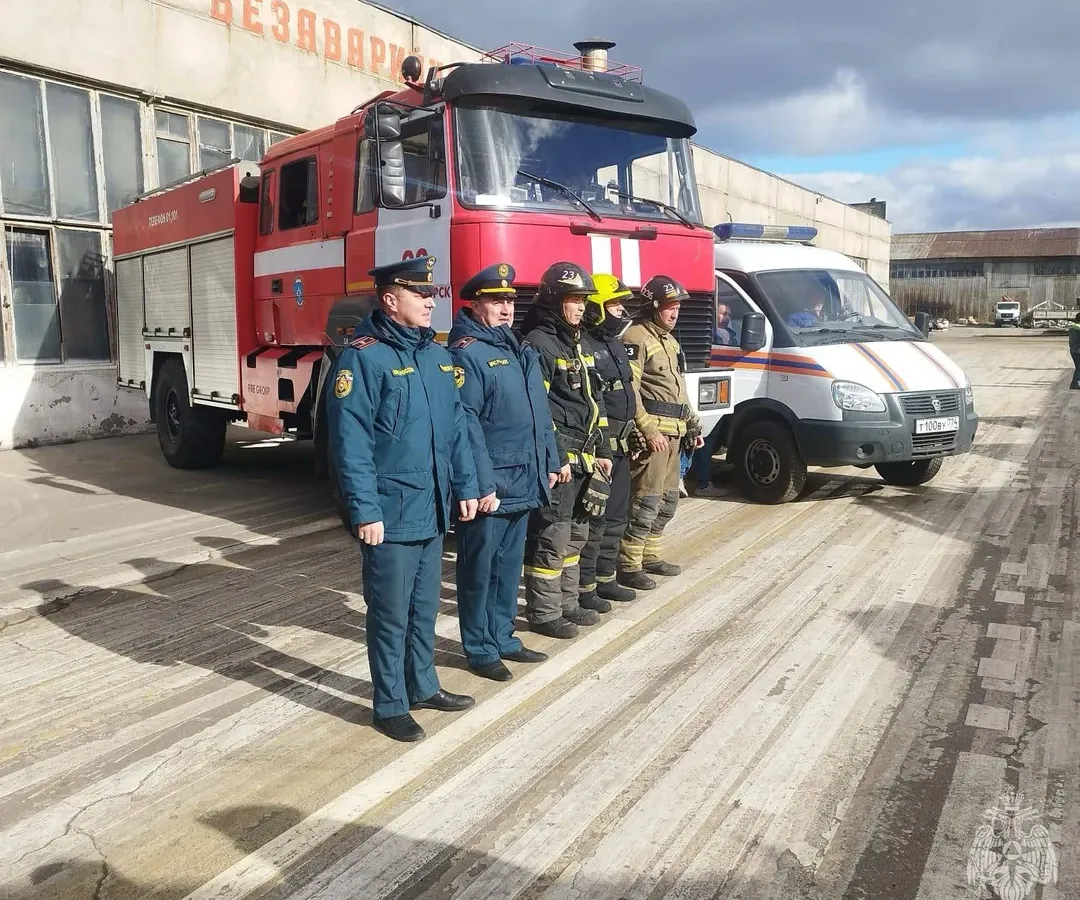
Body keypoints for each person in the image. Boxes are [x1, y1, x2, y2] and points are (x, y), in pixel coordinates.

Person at [327, 255, 481, 744]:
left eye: (432, 294)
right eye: (420, 294)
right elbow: (348, 442)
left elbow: (456, 429)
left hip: (432, 507)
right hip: (390, 512)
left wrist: (466, 486)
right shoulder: (363, 357)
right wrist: (364, 509)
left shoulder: (437, 356)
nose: (431, 302)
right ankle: (389, 703)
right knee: (390, 613)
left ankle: (424, 686)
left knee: (424, 608)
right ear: (391, 300)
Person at [448, 263, 561, 682]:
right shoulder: (467, 353)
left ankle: (504, 636)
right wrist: (479, 483)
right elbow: (466, 423)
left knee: (509, 565)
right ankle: (479, 647)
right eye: (496, 301)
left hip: (524, 476)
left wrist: (550, 460)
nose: (506, 308)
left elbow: (539, 415)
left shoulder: (518, 349)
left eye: (510, 301)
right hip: (492, 485)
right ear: (476, 306)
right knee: (479, 569)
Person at [521, 261, 614, 638]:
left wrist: (604, 449)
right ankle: (544, 614)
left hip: (588, 459)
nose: (581, 307)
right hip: (563, 462)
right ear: (554, 302)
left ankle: (569, 603)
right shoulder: (540, 343)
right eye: (573, 300)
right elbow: (537, 411)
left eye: (583, 300)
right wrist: (556, 457)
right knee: (552, 537)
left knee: (577, 534)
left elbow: (597, 403)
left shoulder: (578, 342)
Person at [618, 274, 704, 591]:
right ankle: (628, 565)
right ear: (653, 306)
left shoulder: (668, 341)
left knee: (667, 502)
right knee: (645, 501)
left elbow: (678, 390)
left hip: (676, 434)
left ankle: (651, 557)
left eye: (677, 307)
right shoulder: (636, 337)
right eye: (669, 306)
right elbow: (631, 390)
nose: (675, 312)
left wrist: (693, 424)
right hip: (654, 438)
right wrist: (647, 429)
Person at [578, 274, 643, 608]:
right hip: (601, 450)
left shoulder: (615, 342)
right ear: (596, 308)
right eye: (614, 304)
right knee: (595, 519)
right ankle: (585, 587)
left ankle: (606, 579)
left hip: (622, 446)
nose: (621, 310)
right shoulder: (585, 346)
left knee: (617, 515)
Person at [1070, 312, 1080, 389]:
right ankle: (1074, 383)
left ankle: (1076, 381)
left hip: (1073, 350)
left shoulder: (1073, 327)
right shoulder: (1079, 328)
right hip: (1078, 350)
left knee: (1078, 367)